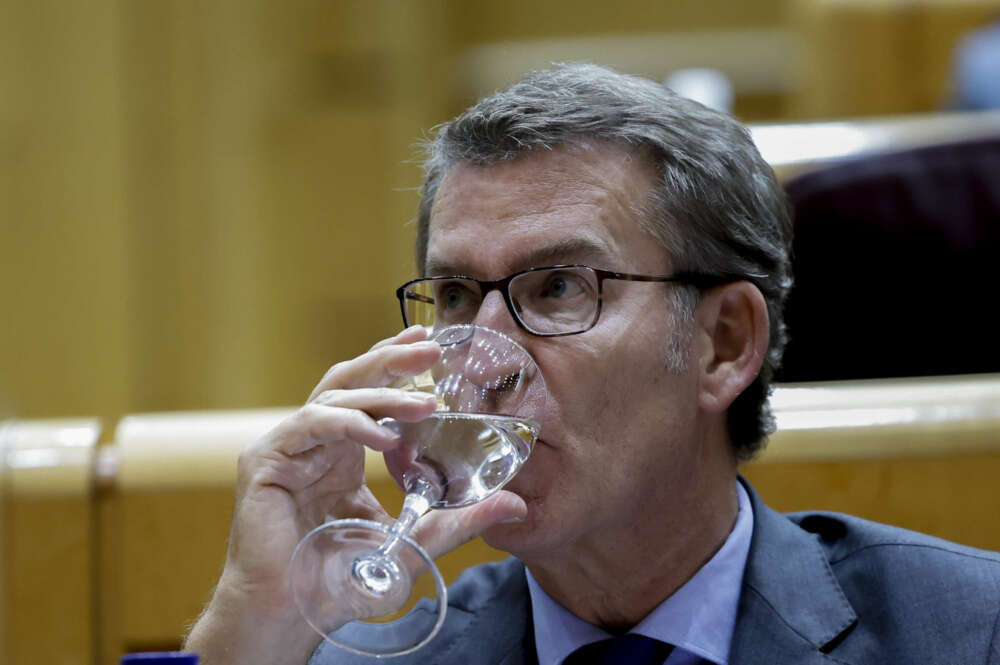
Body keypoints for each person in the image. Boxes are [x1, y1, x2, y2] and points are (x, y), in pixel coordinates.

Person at [184, 63, 1000, 665]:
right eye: (460, 296)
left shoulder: (968, 633)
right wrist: (253, 627)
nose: (485, 365)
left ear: (722, 344)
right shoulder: (361, 652)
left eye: (560, 287)